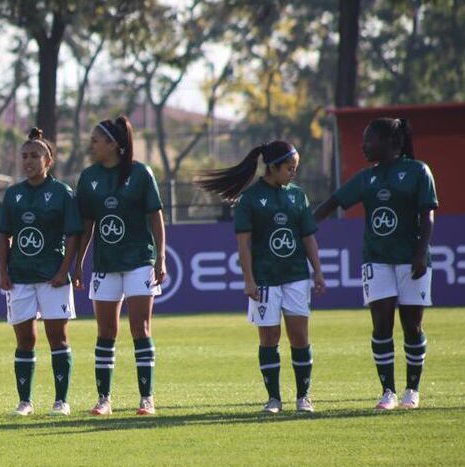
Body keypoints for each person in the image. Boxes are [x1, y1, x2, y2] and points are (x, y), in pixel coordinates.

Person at [314, 118, 437, 410]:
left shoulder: (418, 171)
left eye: (369, 139)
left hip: (411, 260)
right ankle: (388, 392)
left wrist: (420, 253)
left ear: (389, 142)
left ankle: (412, 390)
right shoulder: (366, 177)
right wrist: (301, 225)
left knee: (412, 326)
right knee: (381, 325)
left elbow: (427, 215)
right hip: (377, 259)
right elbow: (332, 204)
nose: (364, 145)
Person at [195, 140, 325, 413]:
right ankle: (274, 399)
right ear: (273, 167)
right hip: (265, 279)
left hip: (296, 276)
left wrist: (318, 271)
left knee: (300, 337)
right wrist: (249, 280)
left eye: (295, 168)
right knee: (269, 338)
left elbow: (308, 237)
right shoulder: (250, 199)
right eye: (290, 168)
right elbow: (244, 244)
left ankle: (304, 397)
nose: (293, 172)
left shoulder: (297, 196)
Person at [75, 115, 166, 416]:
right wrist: (79, 263)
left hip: (140, 260)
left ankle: (146, 399)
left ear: (113, 145)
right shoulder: (89, 177)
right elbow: (87, 225)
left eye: (96, 140)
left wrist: (161, 258)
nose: (92, 144)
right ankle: (104, 400)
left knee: (140, 328)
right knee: (106, 331)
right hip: (105, 263)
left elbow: (156, 217)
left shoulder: (141, 174)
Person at [0, 128, 83, 416]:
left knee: (57, 338)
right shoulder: (13, 194)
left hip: (52, 278)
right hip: (20, 276)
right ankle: (25, 402)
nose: (28, 161)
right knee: (25, 340)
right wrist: (3, 271)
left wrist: (64, 270)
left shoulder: (62, 193)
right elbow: (4, 235)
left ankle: (61, 401)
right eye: (24, 156)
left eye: (35, 155)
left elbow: (73, 235)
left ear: (49, 160)